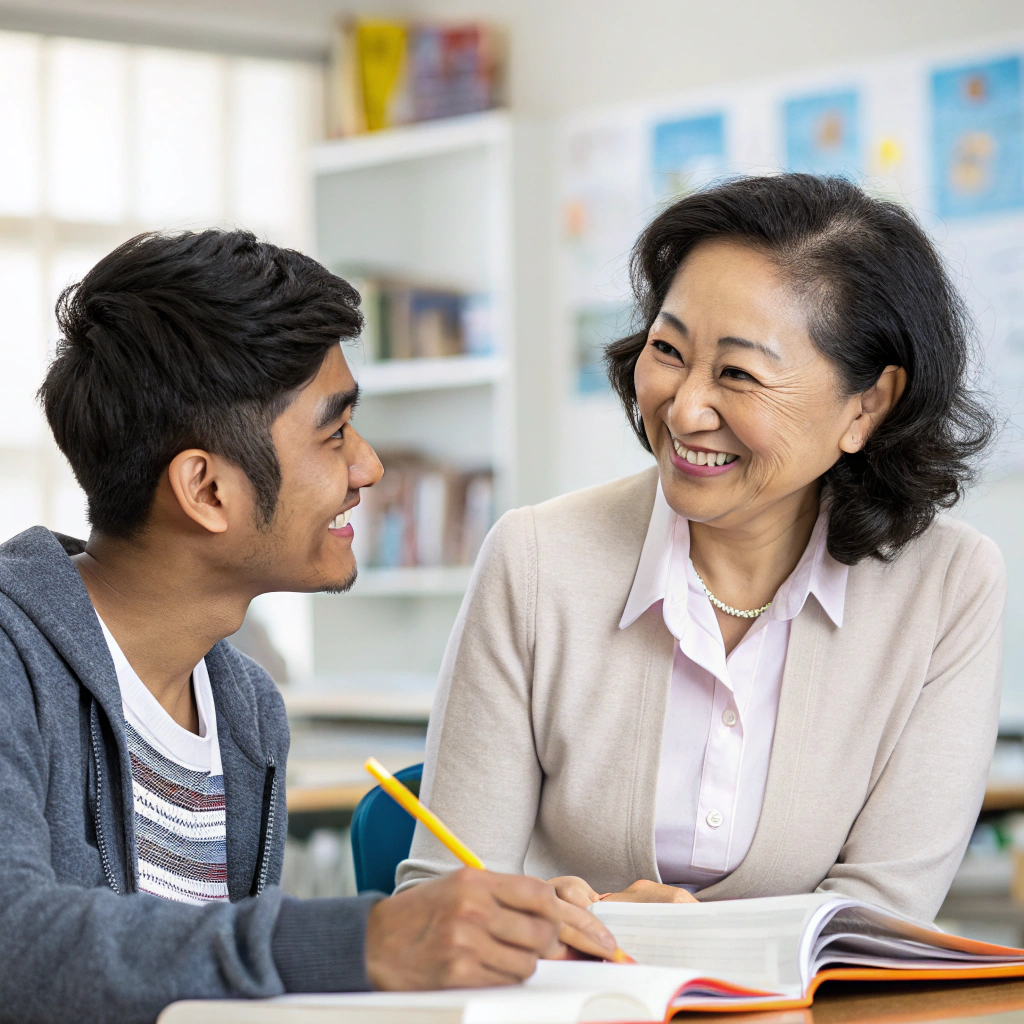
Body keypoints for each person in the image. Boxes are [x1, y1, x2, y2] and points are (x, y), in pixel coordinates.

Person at [0, 230, 617, 1024]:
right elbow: (15, 943)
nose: (368, 467)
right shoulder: (14, 662)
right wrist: (361, 944)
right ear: (207, 490)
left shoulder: (246, 710)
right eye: (334, 433)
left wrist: (512, 923)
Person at [397, 174, 1006, 924]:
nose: (684, 409)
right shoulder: (536, 561)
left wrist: (678, 943)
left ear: (867, 404)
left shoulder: (949, 585)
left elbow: (879, 923)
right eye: (669, 349)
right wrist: (554, 922)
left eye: (738, 374)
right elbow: (434, 905)